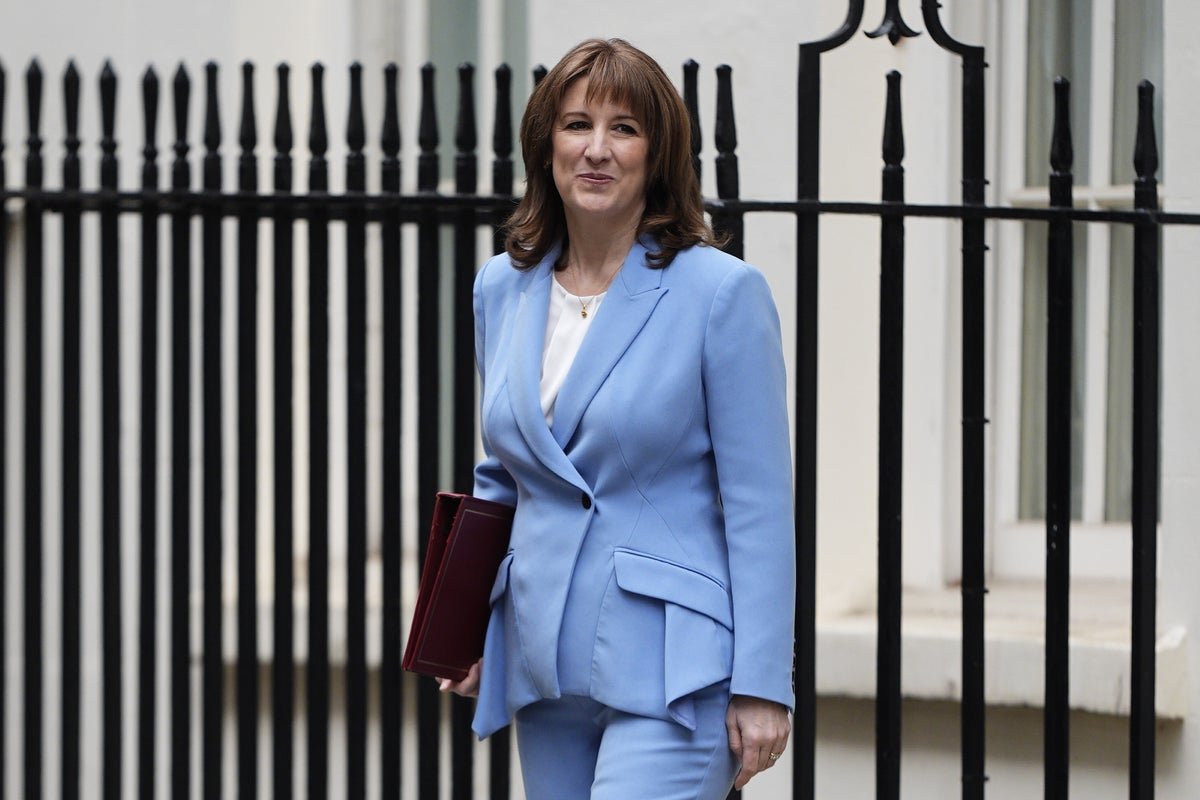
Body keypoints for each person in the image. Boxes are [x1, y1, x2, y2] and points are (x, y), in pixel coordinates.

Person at [440, 37, 796, 799]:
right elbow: (504, 475)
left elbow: (760, 503)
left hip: (674, 669)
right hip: (543, 657)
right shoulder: (502, 288)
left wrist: (765, 682)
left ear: (656, 153)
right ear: (547, 146)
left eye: (624, 129)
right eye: (576, 125)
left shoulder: (720, 294)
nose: (597, 150)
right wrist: (467, 623)